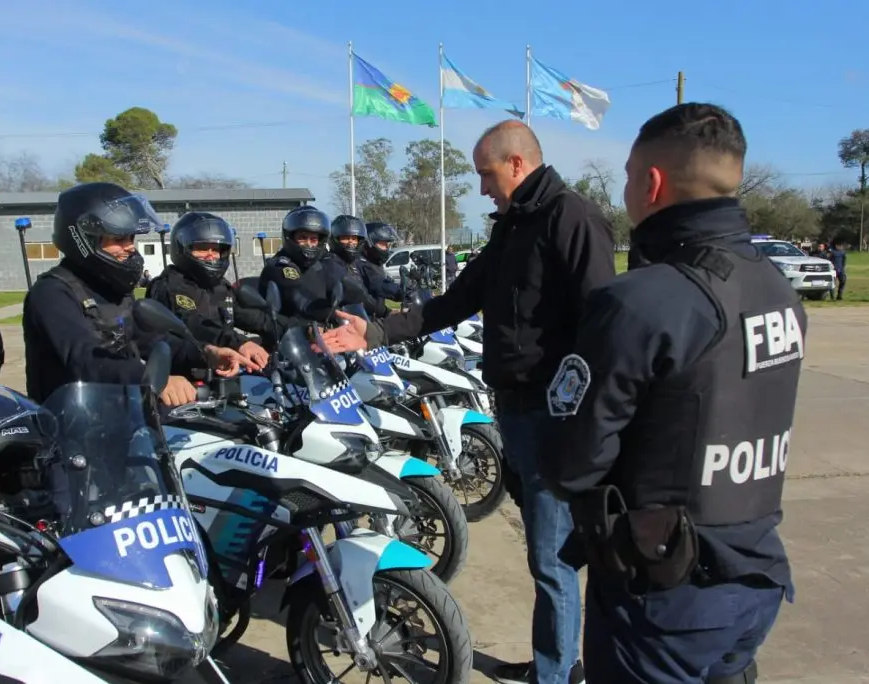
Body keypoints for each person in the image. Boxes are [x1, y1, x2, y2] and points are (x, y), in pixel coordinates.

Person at [325, 118, 615, 684]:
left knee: (553, 559)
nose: (481, 187)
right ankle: (555, 663)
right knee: (546, 555)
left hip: (554, 418)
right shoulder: (513, 226)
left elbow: (602, 323)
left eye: (486, 173)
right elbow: (456, 300)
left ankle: (557, 676)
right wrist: (375, 333)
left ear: (516, 164)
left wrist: (582, 416)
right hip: (517, 411)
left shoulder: (570, 217)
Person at [537, 103, 801, 683]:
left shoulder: (642, 301)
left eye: (629, 176)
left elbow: (573, 461)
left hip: (661, 594)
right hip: (755, 575)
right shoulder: (778, 288)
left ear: (651, 183)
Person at [22, 182, 255, 406]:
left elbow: (150, 339)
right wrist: (152, 379)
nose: (131, 247)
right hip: (71, 425)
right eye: (118, 239)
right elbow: (85, 358)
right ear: (84, 239)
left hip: (122, 414)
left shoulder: (112, 290)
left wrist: (206, 353)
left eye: (131, 238)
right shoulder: (52, 293)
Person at [144, 211, 278, 365]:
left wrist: (288, 327)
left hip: (224, 369)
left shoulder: (220, 287)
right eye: (202, 248)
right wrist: (238, 342)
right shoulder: (170, 286)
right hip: (182, 375)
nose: (211, 256)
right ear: (182, 249)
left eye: (216, 250)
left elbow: (245, 315)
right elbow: (192, 322)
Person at [258, 205, 362, 322]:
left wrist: (359, 297)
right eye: (302, 238)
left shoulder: (318, 266)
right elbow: (300, 298)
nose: (309, 244)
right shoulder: (279, 266)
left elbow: (345, 285)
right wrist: (335, 314)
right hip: (286, 335)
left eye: (313, 239)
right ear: (290, 237)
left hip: (318, 333)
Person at [358, 222, 405, 316]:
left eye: (388, 244)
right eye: (383, 244)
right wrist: (400, 291)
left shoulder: (374, 263)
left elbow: (377, 302)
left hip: (375, 315)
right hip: (363, 319)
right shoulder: (362, 263)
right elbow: (379, 284)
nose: (387, 248)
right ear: (369, 243)